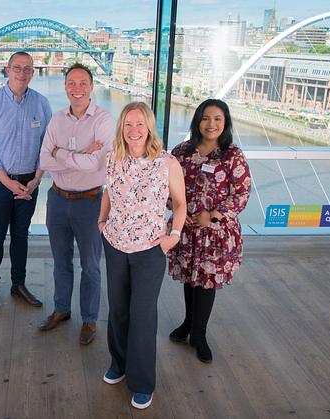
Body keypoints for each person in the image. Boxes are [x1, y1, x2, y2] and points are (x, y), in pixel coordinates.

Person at [98, 102, 186, 410]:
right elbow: (110, 190)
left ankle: (142, 381)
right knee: (118, 310)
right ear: (121, 128)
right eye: (128, 124)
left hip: (150, 250)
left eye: (140, 124)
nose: (134, 130)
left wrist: (173, 236)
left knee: (143, 315)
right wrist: (101, 220)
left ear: (149, 127)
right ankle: (119, 365)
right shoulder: (112, 158)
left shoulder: (167, 163)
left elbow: (180, 204)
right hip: (115, 245)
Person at [166, 98, 251, 364]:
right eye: (205, 118)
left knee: (206, 281)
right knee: (191, 277)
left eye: (217, 119)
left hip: (215, 232)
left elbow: (241, 194)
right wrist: (181, 212)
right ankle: (188, 323)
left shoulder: (232, 156)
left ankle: (199, 335)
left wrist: (210, 215)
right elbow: (165, 186)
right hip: (186, 228)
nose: (211, 124)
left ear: (225, 123)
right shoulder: (181, 152)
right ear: (197, 121)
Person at [37, 63, 114, 345]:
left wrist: (60, 152)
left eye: (83, 83)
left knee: (91, 266)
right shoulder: (57, 119)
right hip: (57, 199)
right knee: (60, 262)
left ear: (92, 87)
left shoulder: (104, 120)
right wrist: (78, 154)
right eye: (71, 83)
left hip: (91, 202)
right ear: (65, 86)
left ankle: (90, 320)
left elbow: (96, 163)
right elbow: (44, 160)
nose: (77, 88)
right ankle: (62, 309)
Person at [0, 51, 53, 311]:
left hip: (30, 183)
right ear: (7, 70)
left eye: (27, 69)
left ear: (33, 73)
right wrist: (8, 183)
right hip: (0, 184)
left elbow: (48, 146)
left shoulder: (42, 104)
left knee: (21, 235)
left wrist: (36, 180)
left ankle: (18, 284)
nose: (22, 73)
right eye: (17, 68)